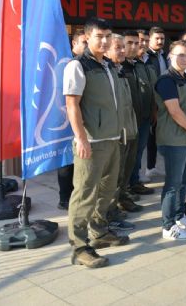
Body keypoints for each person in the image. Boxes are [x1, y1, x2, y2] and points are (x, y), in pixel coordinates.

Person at [64, 18, 129, 268]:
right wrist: (81, 138)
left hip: (113, 139)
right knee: (84, 195)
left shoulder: (109, 66)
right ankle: (79, 247)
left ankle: (99, 232)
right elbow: (72, 104)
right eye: (99, 36)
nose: (104, 41)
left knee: (107, 190)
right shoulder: (78, 66)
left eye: (108, 36)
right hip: (91, 142)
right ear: (88, 37)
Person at [154, 40, 186, 241]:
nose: (185, 58)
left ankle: (179, 215)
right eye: (180, 55)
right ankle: (168, 227)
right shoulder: (167, 80)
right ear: (170, 56)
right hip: (174, 138)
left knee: (184, 180)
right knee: (173, 183)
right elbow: (174, 111)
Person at [109, 34, 142, 216]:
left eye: (124, 47)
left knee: (125, 170)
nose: (123, 51)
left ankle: (121, 198)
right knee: (115, 173)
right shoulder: (107, 72)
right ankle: (111, 211)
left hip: (130, 129)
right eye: (118, 47)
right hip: (116, 133)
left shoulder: (120, 69)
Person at [57, 30, 88, 210]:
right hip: (66, 118)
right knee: (67, 160)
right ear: (74, 44)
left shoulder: (87, 64)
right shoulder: (70, 64)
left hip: (83, 119)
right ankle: (64, 197)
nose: (85, 46)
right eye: (83, 42)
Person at [129, 31, 156, 191]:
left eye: (146, 41)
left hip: (146, 116)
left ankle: (135, 181)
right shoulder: (127, 63)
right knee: (130, 154)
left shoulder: (148, 63)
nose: (143, 44)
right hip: (131, 118)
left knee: (139, 151)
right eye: (140, 41)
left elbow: (151, 89)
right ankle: (129, 185)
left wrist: (154, 110)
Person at [144, 26, 168, 179]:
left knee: (162, 135)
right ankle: (149, 167)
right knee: (150, 137)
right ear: (150, 39)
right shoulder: (146, 57)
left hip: (165, 101)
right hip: (152, 101)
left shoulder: (164, 56)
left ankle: (153, 167)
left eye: (162, 39)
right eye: (157, 38)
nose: (160, 41)